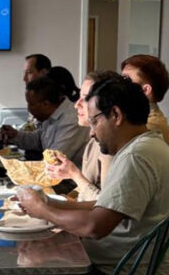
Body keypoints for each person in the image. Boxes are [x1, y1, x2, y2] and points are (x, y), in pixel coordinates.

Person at [10, 75, 169, 275]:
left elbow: (95, 226)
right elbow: (105, 205)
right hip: (120, 267)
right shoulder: (148, 144)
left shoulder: (136, 156)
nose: (91, 132)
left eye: (94, 122)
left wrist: (42, 211)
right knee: (25, 273)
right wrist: (49, 203)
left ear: (116, 115)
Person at [45, 70, 118, 201]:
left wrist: (73, 173)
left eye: (85, 99)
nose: (76, 104)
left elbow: (106, 206)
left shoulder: (110, 148)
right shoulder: (94, 141)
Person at [0, 76, 89, 167]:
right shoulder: (51, 115)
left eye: (31, 104)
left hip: (68, 180)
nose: (28, 109)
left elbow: (54, 162)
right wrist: (15, 135)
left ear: (45, 104)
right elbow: (38, 139)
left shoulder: (71, 120)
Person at [121, 54, 169, 158]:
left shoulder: (151, 126)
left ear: (145, 90)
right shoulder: (144, 119)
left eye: (126, 80)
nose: (119, 85)